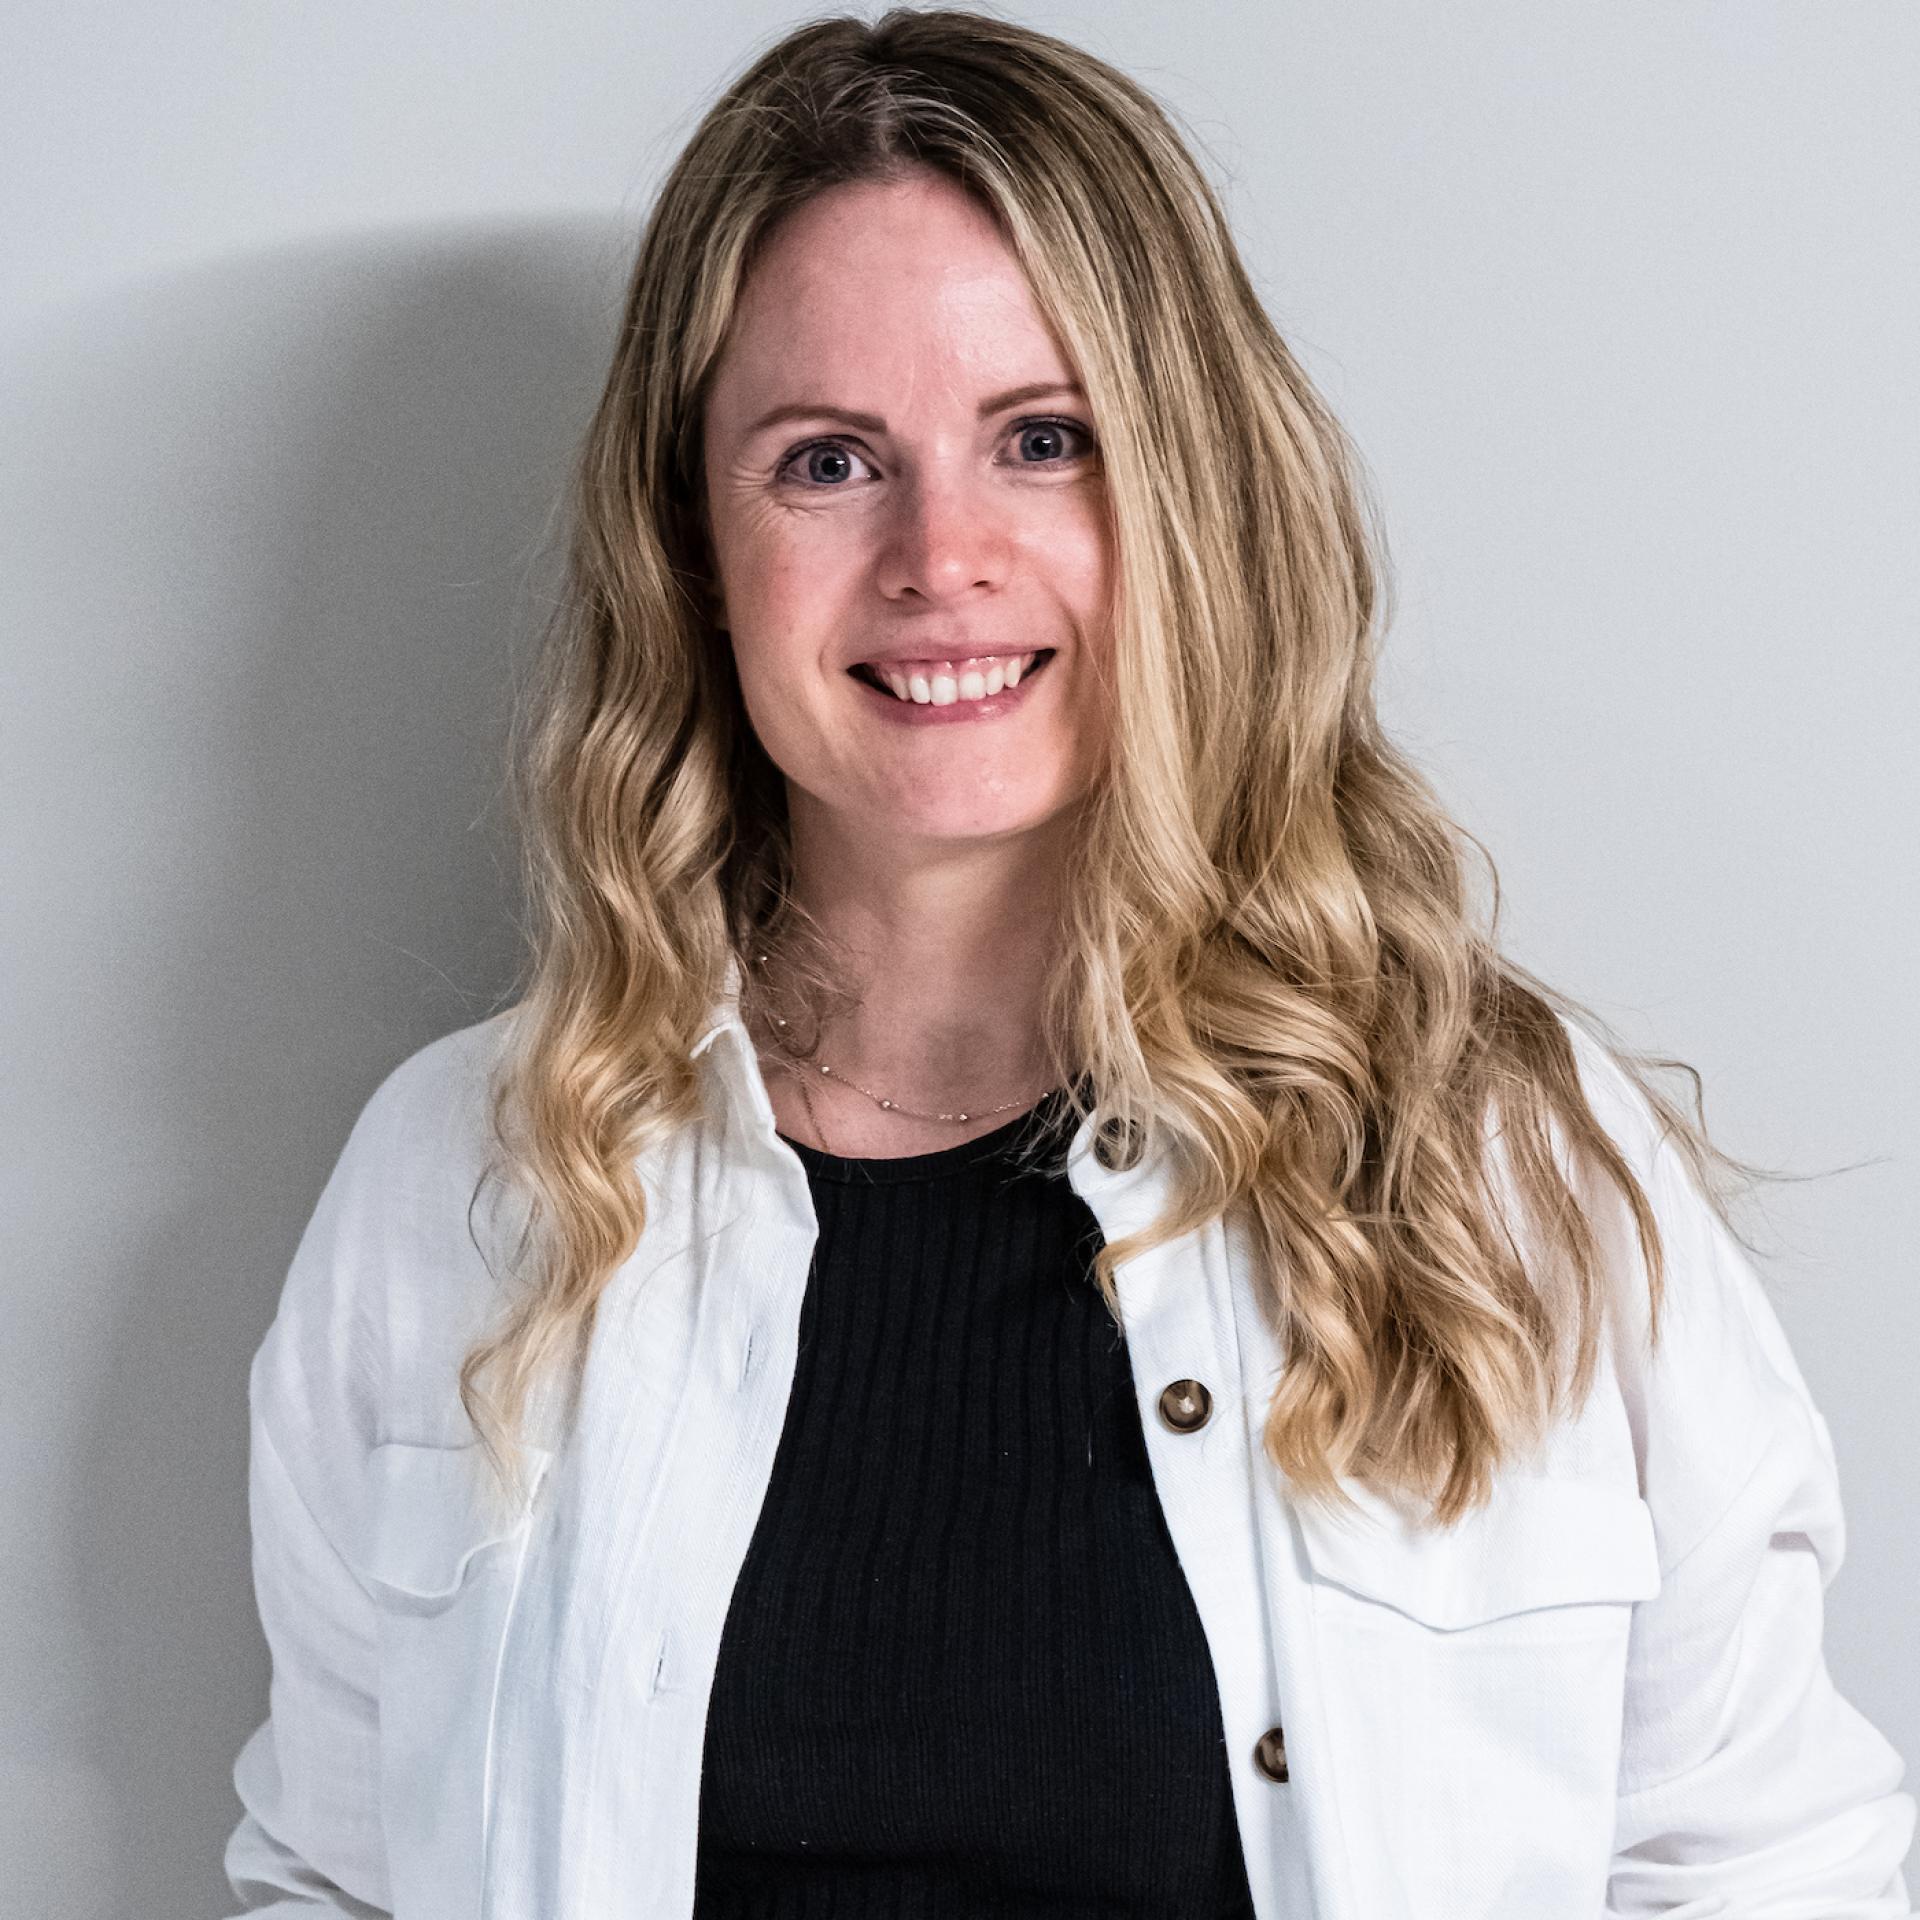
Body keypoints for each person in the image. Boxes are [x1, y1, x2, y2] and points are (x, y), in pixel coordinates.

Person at [220, 10, 1915, 1919]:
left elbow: (1770, 1874)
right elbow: (334, 1881)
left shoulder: (1501, 1168)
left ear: (1192, 500)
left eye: (1046, 442)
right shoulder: (460, 1191)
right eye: (826, 461)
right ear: (692, 544)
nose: (941, 556)